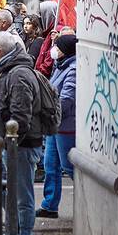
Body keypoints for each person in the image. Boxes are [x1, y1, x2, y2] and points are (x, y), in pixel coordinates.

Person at [0, 31, 45, 235]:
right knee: (6, 190)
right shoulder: (6, 71)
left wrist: (10, 145)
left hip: (21, 146)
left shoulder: (18, 74)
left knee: (22, 195)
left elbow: (21, 116)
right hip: (10, 145)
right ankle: (17, 231)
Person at [38, 34, 77, 219]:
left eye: (58, 47)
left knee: (69, 167)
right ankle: (49, 205)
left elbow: (67, 99)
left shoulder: (74, 68)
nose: (54, 50)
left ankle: (90, 197)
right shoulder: (60, 66)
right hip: (54, 124)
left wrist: (50, 113)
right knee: (50, 165)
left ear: (65, 51)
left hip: (65, 125)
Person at [34, 0, 60, 76]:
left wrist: (38, 74)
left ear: (47, 15)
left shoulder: (55, 33)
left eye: (40, 15)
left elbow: (49, 62)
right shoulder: (47, 33)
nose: (39, 19)